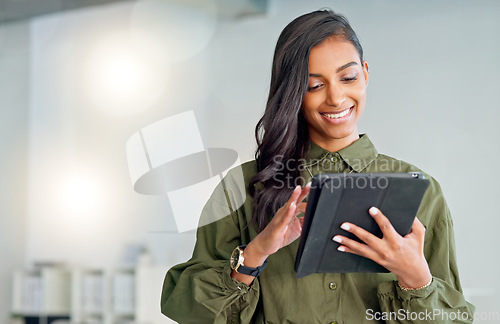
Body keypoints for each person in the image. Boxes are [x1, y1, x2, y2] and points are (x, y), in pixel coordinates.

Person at [161, 9, 475, 323]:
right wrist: (255, 253)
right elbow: (192, 313)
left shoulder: (422, 192)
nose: (336, 98)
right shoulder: (242, 187)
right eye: (314, 86)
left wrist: (416, 277)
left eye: (348, 77)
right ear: (293, 93)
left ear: (365, 74)